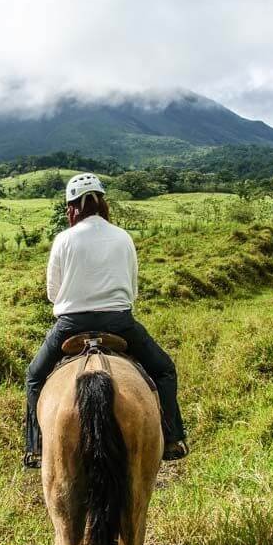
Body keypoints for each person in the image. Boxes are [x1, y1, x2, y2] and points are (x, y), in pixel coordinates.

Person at [23, 172, 188, 469]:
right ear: (102, 203)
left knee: (35, 376)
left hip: (70, 325)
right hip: (119, 322)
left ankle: (35, 447)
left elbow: (52, 293)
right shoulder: (123, 236)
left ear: (72, 208)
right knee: (164, 370)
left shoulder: (63, 239)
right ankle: (173, 437)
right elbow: (133, 290)